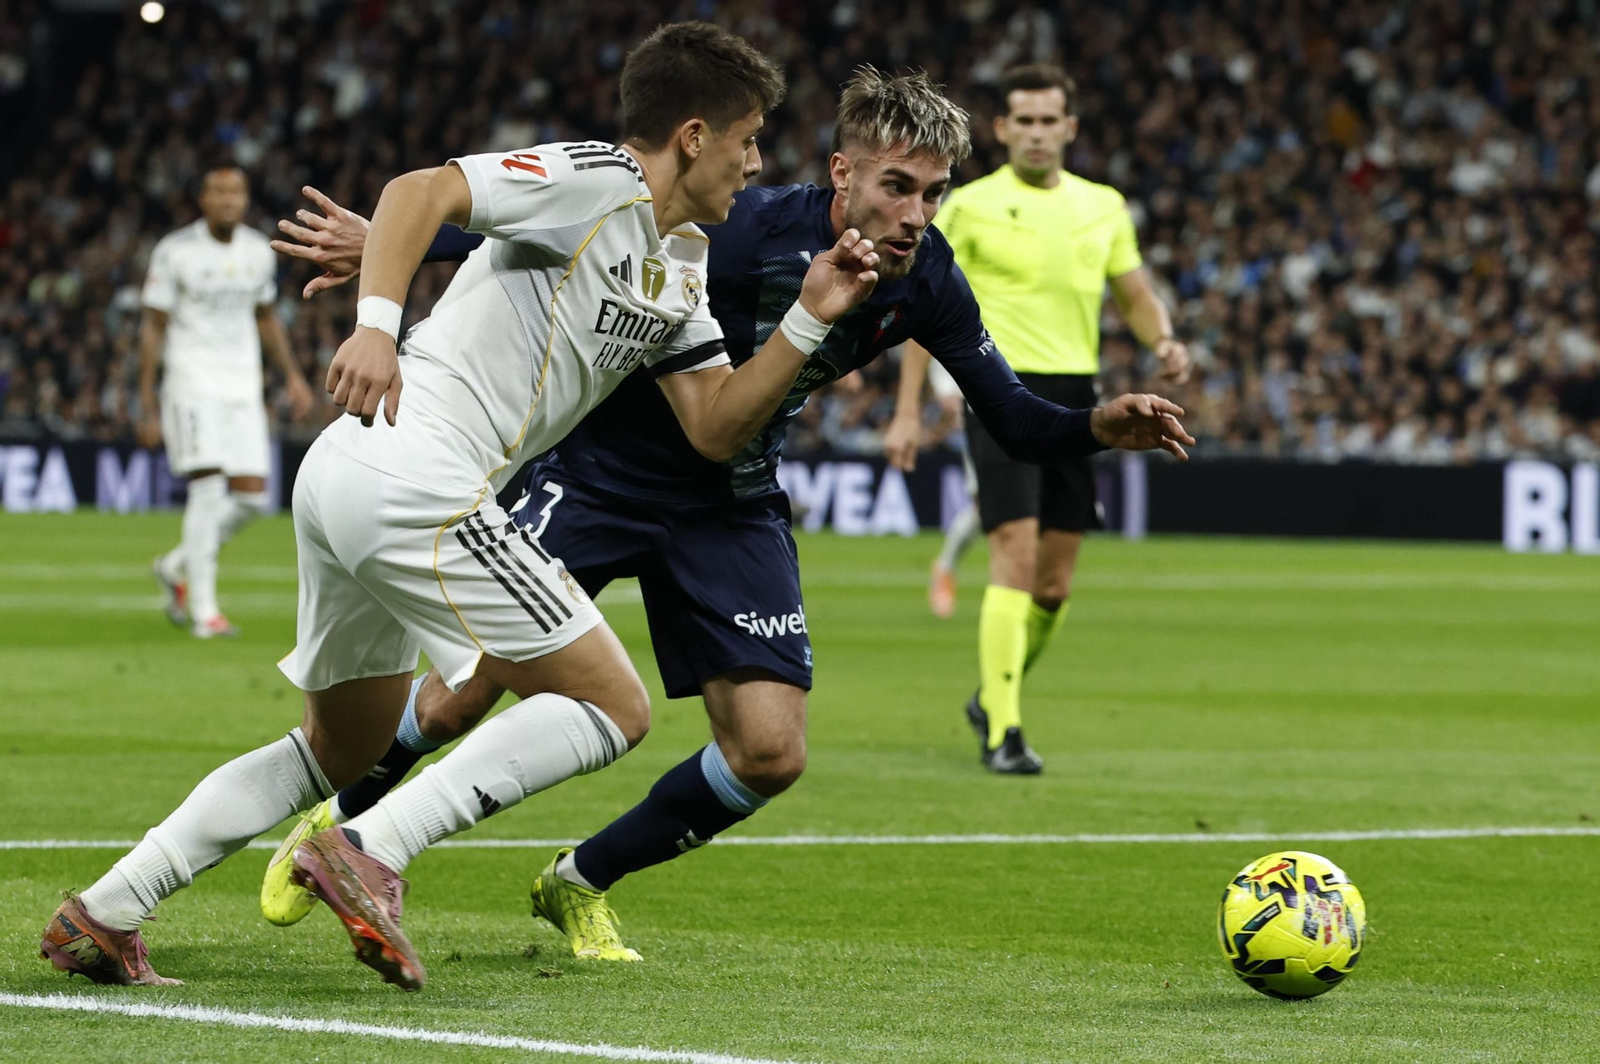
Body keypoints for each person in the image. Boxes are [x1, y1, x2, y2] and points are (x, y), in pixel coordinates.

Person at [261, 68, 1194, 962]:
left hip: (730, 503)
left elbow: (1017, 421)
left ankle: (581, 878)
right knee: (471, 687)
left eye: (935, 193)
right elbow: (586, 228)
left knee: (769, 751)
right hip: (600, 472)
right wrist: (409, 243)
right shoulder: (745, 225)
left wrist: (1097, 425)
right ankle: (340, 822)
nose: (915, 214)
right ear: (844, 173)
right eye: (898, 186)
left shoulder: (930, 278)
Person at [39, 21, 888, 992]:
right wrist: (375, 328)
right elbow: (420, 191)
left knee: (342, 743)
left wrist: (808, 316)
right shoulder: (597, 178)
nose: (755, 159)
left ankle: (105, 909)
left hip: (363, 478)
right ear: (692, 134)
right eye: (747, 135)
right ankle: (373, 845)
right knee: (610, 702)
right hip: (413, 461)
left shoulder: (680, 260)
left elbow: (712, 423)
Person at [894, 63, 1192, 774]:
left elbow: (1135, 293)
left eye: (1046, 119)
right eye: (1021, 120)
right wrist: (907, 409)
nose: (1034, 132)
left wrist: (1164, 341)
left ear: (1069, 128)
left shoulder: (1104, 206)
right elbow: (917, 311)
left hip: (1075, 403)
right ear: (1000, 129)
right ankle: (1005, 731)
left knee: (1054, 586)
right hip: (996, 390)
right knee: (1015, 558)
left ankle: (992, 695)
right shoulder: (966, 207)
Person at [138, 163, 314, 638]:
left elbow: (267, 319)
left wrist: (294, 378)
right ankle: (205, 611)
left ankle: (176, 566)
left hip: (242, 386)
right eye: (218, 191)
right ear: (203, 199)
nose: (228, 199)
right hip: (192, 382)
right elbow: (153, 328)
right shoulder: (175, 252)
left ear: (245, 198)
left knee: (253, 500)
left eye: (235, 191)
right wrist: (146, 400)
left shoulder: (258, 252)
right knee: (208, 486)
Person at [883, 339, 979, 619]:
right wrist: (944, 390)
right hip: (984, 409)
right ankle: (945, 568)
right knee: (988, 506)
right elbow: (932, 329)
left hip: (1026, 398)